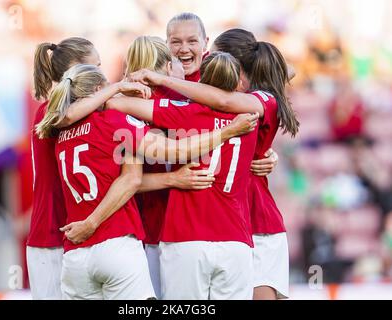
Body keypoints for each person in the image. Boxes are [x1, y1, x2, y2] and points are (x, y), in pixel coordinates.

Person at [36, 63, 258, 300]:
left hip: (75, 256)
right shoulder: (112, 121)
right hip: (114, 243)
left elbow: (127, 176)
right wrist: (226, 132)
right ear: (101, 89)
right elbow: (175, 152)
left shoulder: (59, 132)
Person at [129, 28, 299, 299]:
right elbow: (285, 72)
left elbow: (225, 98)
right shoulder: (250, 104)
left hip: (245, 220)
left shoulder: (242, 102)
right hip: (221, 224)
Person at [106, 52, 259, 300]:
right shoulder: (252, 116)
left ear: (200, 82)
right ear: (239, 83)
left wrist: (131, 87)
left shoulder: (184, 113)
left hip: (186, 237)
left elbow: (114, 104)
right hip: (235, 239)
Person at [29, 37, 151, 300]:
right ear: (75, 73)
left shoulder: (81, 113)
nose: (101, 74)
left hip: (77, 236)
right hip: (53, 233)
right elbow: (68, 115)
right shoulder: (53, 114)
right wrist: (117, 89)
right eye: (95, 67)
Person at [166, 12, 279, 176]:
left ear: (205, 43)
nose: (184, 49)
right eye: (176, 42)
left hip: (226, 191)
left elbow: (286, 73)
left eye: (192, 41)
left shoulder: (219, 72)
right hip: (168, 190)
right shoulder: (157, 75)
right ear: (166, 44)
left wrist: (265, 150)